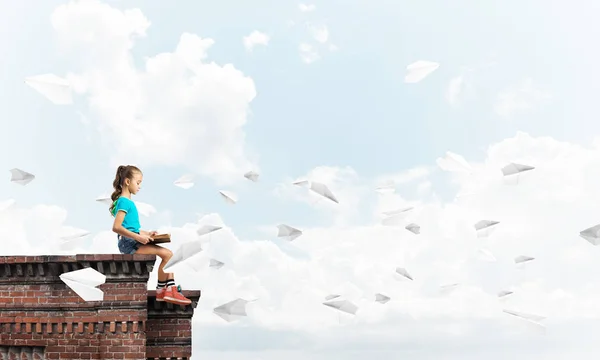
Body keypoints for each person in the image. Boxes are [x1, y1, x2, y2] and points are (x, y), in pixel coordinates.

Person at [109, 164, 191, 306]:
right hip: (129, 243)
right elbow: (116, 227)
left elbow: (131, 228)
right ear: (127, 182)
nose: (140, 186)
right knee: (168, 255)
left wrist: (147, 233)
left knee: (168, 254)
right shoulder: (124, 201)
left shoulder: (127, 202)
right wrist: (139, 237)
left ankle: (162, 291)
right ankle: (167, 290)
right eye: (138, 182)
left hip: (131, 240)